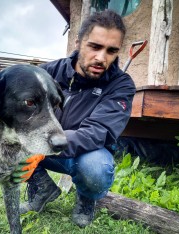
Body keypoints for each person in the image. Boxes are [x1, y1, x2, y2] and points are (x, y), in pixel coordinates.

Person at [18, 10, 136, 227]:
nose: (101, 58)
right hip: (45, 147)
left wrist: (45, 146)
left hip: (86, 154)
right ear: (78, 42)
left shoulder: (121, 85)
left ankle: (86, 197)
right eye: (95, 46)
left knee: (95, 169)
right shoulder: (48, 72)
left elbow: (98, 131)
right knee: (9, 145)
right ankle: (42, 188)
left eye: (111, 51)